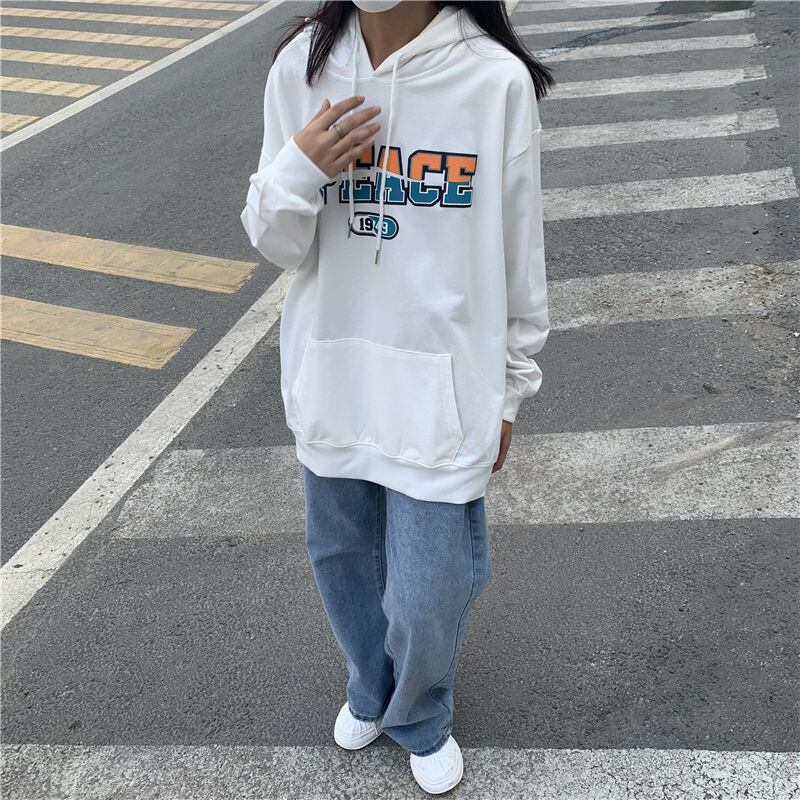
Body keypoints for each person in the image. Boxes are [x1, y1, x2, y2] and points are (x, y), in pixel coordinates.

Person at [240, 0, 553, 793]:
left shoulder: (493, 81)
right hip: (335, 380)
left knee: (427, 592)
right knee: (341, 561)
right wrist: (301, 168)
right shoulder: (302, 68)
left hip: (443, 393)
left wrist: (511, 388)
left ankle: (420, 711)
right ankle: (369, 686)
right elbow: (277, 245)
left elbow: (520, 250)